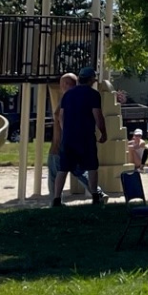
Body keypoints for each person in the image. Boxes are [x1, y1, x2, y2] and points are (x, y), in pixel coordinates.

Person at [54, 65, 110, 206]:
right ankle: (95, 196)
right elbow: (97, 116)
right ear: (91, 80)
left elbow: (61, 115)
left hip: (68, 137)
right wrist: (103, 132)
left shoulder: (68, 94)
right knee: (91, 166)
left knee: (63, 168)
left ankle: (56, 199)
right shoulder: (93, 94)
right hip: (85, 136)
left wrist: (66, 130)